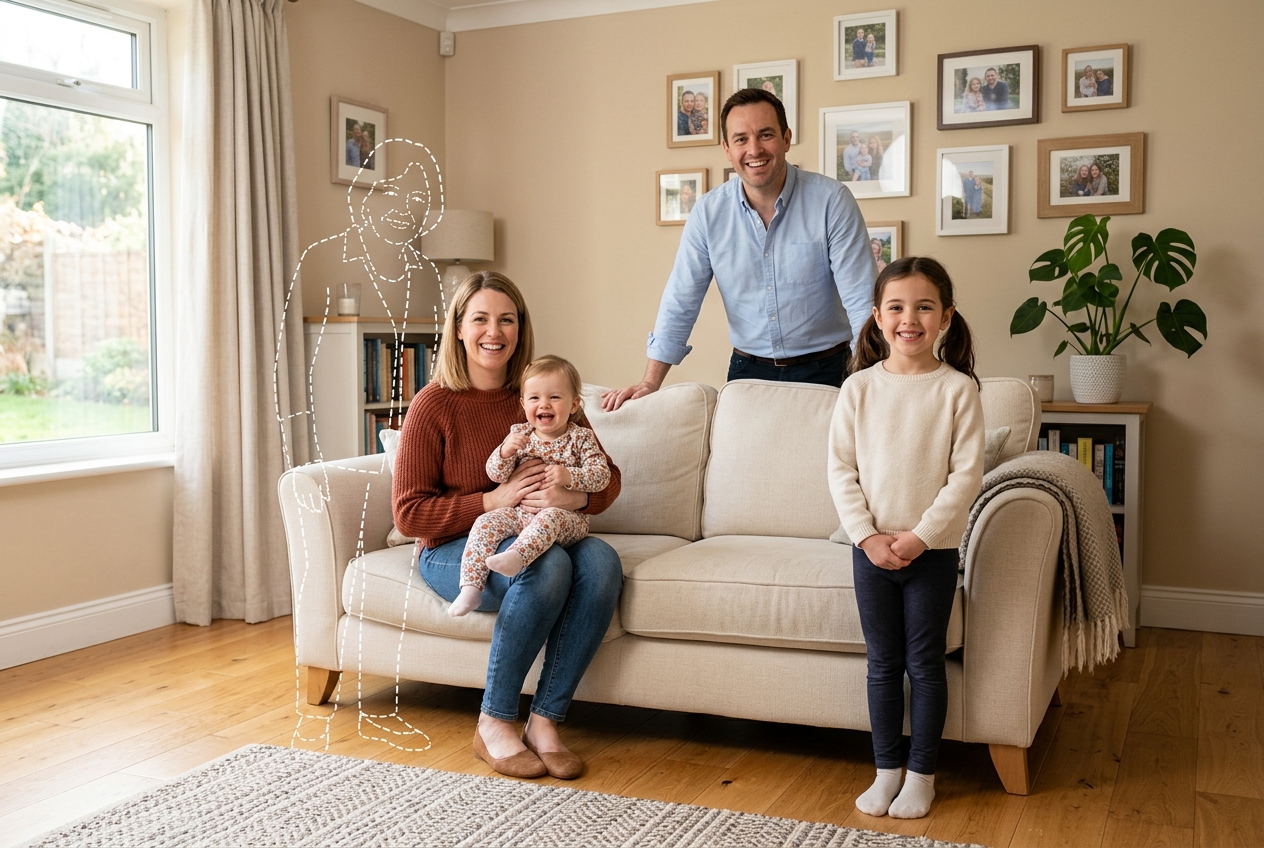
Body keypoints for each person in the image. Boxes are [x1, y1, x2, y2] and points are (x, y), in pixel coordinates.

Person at [393, 271, 624, 780]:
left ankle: (544, 723)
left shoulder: (541, 393)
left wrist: (575, 492)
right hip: (456, 548)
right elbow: (409, 513)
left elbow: (609, 480)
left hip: (534, 529)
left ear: (520, 329)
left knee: (603, 561)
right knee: (547, 567)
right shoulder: (434, 403)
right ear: (458, 328)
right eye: (480, 319)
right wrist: (490, 499)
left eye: (506, 319)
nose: (493, 331)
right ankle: (494, 722)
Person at [601, 88, 876, 410]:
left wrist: (874, 378)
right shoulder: (708, 213)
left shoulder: (831, 201)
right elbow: (681, 299)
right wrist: (650, 381)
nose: (754, 149)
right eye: (741, 139)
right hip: (748, 372)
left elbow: (863, 302)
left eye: (766, 135)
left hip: (830, 370)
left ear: (786, 139)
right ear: (727, 149)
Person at [827, 256, 984, 820]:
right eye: (896, 307)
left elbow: (965, 477)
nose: (908, 318)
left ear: (945, 317)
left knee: (926, 663)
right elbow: (841, 471)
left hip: (932, 552)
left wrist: (918, 537)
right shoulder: (857, 388)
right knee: (882, 662)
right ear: (875, 317)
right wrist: (867, 537)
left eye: (923, 307)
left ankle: (922, 775)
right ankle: (886, 770)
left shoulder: (958, 390)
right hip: (869, 552)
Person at [450, 355, 611, 617]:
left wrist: (569, 477)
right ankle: (471, 588)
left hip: (566, 519)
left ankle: (517, 558)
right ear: (524, 404)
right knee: (485, 522)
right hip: (520, 513)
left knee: (549, 516)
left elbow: (602, 476)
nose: (544, 404)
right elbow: (496, 475)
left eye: (555, 398)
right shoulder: (520, 434)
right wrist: (504, 452)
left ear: (574, 405)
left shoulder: (581, 438)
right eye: (535, 398)